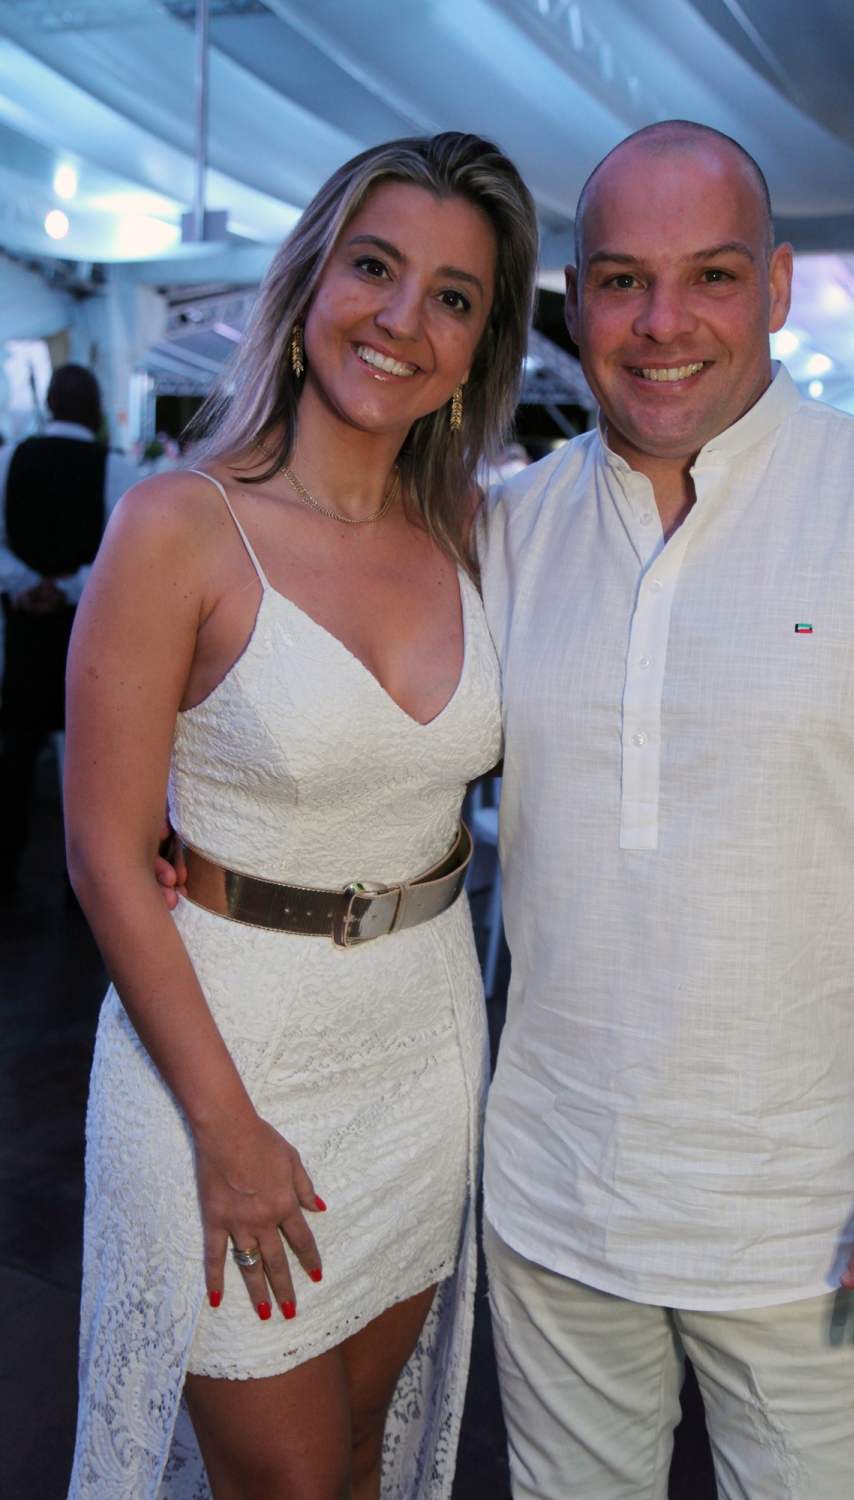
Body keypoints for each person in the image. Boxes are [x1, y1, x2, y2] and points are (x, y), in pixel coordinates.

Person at [477, 120, 854, 1499]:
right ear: (576, 298)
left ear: (774, 287)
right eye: (621, 280)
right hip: (548, 1201)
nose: (663, 324)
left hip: (816, 1231)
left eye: (710, 275)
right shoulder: (508, 528)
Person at [65, 133, 535, 1500]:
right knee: (289, 1483)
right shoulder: (179, 525)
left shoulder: (478, 539)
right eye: (374, 268)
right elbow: (103, 854)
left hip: (420, 1055)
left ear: (479, 345)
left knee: (359, 1458)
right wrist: (224, 1127)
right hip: (223, 1061)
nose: (402, 318)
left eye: (453, 297)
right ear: (310, 281)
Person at [0, 364, 138, 898]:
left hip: (24, 626)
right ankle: (80, 879)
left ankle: (6, 870)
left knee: (15, 749)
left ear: (49, 406)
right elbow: (124, 556)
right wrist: (71, 587)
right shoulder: (117, 469)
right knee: (86, 755)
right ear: (97, 410)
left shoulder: (10, 459)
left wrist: (26, 582)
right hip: (90, 628)